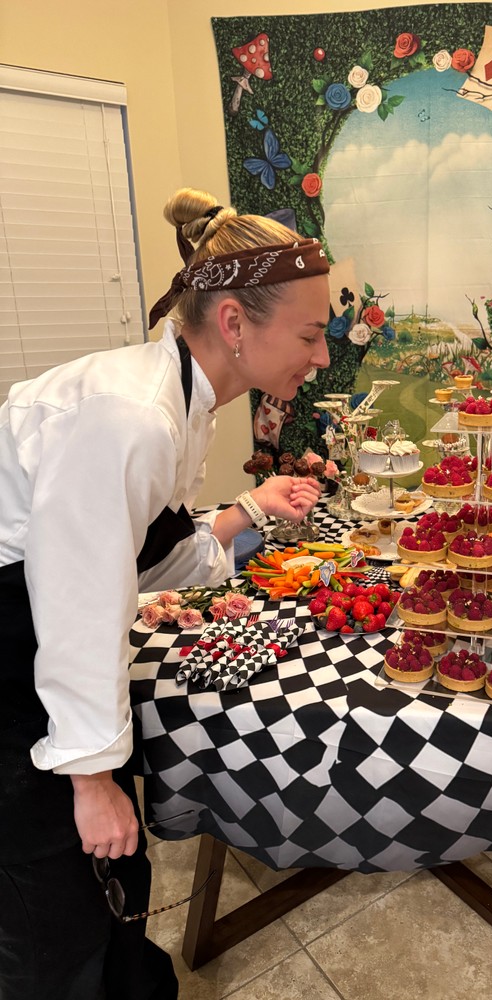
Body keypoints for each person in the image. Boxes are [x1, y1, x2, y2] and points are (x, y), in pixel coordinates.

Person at [0, 187, 331, 999]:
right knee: (44, 877)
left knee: (108, 864)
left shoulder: (184, 398)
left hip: (44, 620)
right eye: (312, 334)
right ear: (233, 324)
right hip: (13, 633)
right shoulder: (131, 416)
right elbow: (77, 602)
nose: (321, 357)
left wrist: (251, 512)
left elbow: (144, 552)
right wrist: (90, 779)